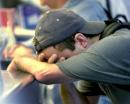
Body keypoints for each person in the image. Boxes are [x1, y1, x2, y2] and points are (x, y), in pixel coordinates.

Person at [6, 9, 130, 104]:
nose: (64, 65)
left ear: (81, 40)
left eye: (65, 60)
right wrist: (63, 79)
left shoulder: (113, 47)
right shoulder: (90, 54)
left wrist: (19, 61)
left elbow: (43, 74)